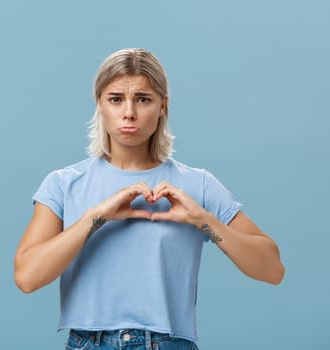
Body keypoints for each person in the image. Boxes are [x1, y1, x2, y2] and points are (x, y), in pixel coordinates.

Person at [14, 48, 285, 349]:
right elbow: (27, 277)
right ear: (100, 104)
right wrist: (96, 217)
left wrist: (203, 220)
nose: (129, 112)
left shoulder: (198, 185)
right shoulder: (64, 184)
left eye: (143, 99)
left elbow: (272, 269)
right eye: (116, 99)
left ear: (162, 106)